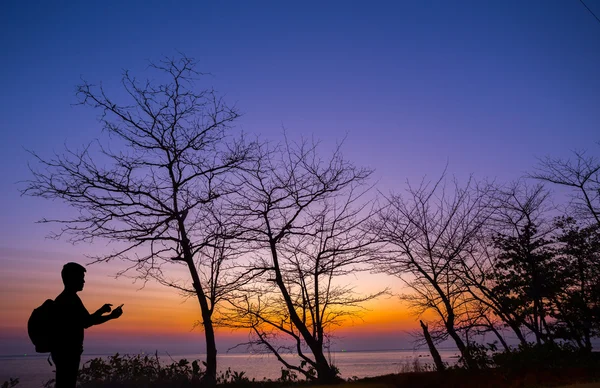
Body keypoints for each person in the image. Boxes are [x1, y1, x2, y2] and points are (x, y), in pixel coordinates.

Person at [51, 262, 123, 388]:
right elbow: (87, 322)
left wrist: (101, 311)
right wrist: (111, 316)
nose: (83, 281)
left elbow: (85, 320)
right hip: (67, 352)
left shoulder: (68, 298)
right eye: (81, 278)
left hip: (64, 351)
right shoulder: (69, 299)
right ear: (72, 279)